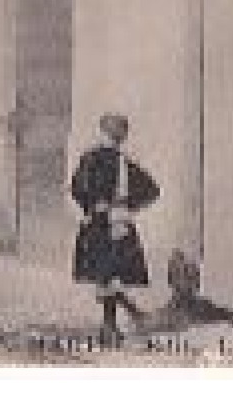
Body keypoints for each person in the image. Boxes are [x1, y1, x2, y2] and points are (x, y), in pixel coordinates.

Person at [71, 112, 160, 347]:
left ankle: (112, 324)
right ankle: (112, 323)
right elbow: (78, 187)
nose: (116, 137)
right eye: (114, 132)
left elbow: (151, 190)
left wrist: (119, 205)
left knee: (111, 274)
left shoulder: (120, 161)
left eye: (119, 133)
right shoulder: (96, 158)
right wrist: (98, 205)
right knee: (109, 274)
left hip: (112, 223)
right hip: (104, 224)